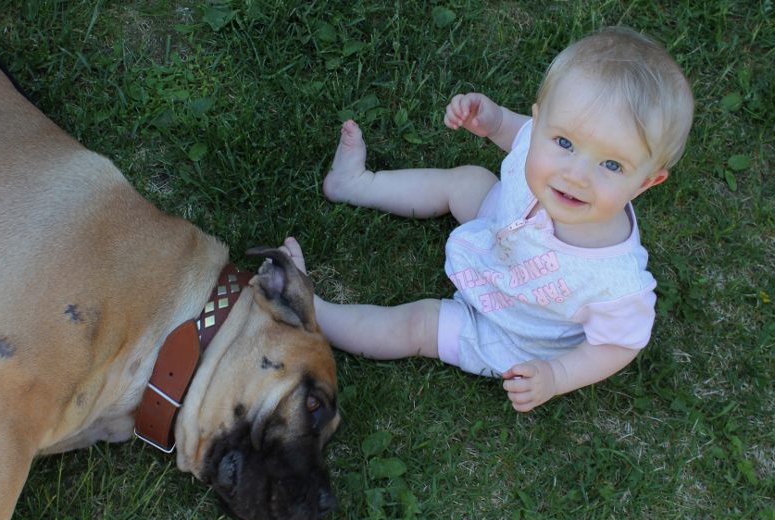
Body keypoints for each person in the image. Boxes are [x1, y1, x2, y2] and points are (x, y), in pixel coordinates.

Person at [282, 27, 693, 412]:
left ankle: (313, 311)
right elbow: (523, 134)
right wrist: (496, 123)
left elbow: (618, 345)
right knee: (469, 181)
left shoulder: (616, 284)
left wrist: (557, 375)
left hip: (508, 326)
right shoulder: (546, 143)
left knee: (418, 325)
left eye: (611, 165)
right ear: (541, 121)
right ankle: (356, 184)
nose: (575, 175)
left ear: (647, 182)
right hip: (502, 231)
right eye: (564, 142)